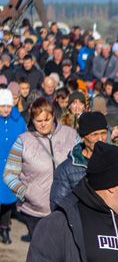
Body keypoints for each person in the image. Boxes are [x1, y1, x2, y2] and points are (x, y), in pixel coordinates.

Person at [2, 97, 79, 237]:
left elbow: (82, 165)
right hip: (35, 212)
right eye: (39, 121)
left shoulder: (71, 135)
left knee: (66, 253)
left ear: (53, 116)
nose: (43, 124)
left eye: (47, 120)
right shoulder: (23, 141)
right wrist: (25, 193)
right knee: (43, 254)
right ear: (32, 120)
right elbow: (9, 174)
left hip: (67, 208)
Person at [50, 111, 108, 208]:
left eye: (103, 133)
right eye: (95, 134)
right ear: (83, 138)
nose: (101, 138)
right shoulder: (66, 170)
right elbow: (58, 205)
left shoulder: (115, 160)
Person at [0, 89, 27, 244]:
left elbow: (24, 140)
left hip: (12, 164)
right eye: (2, 106)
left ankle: (4, 228)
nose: (5, 109)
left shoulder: (18, 120)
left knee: (9, 199)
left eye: (8, 106)